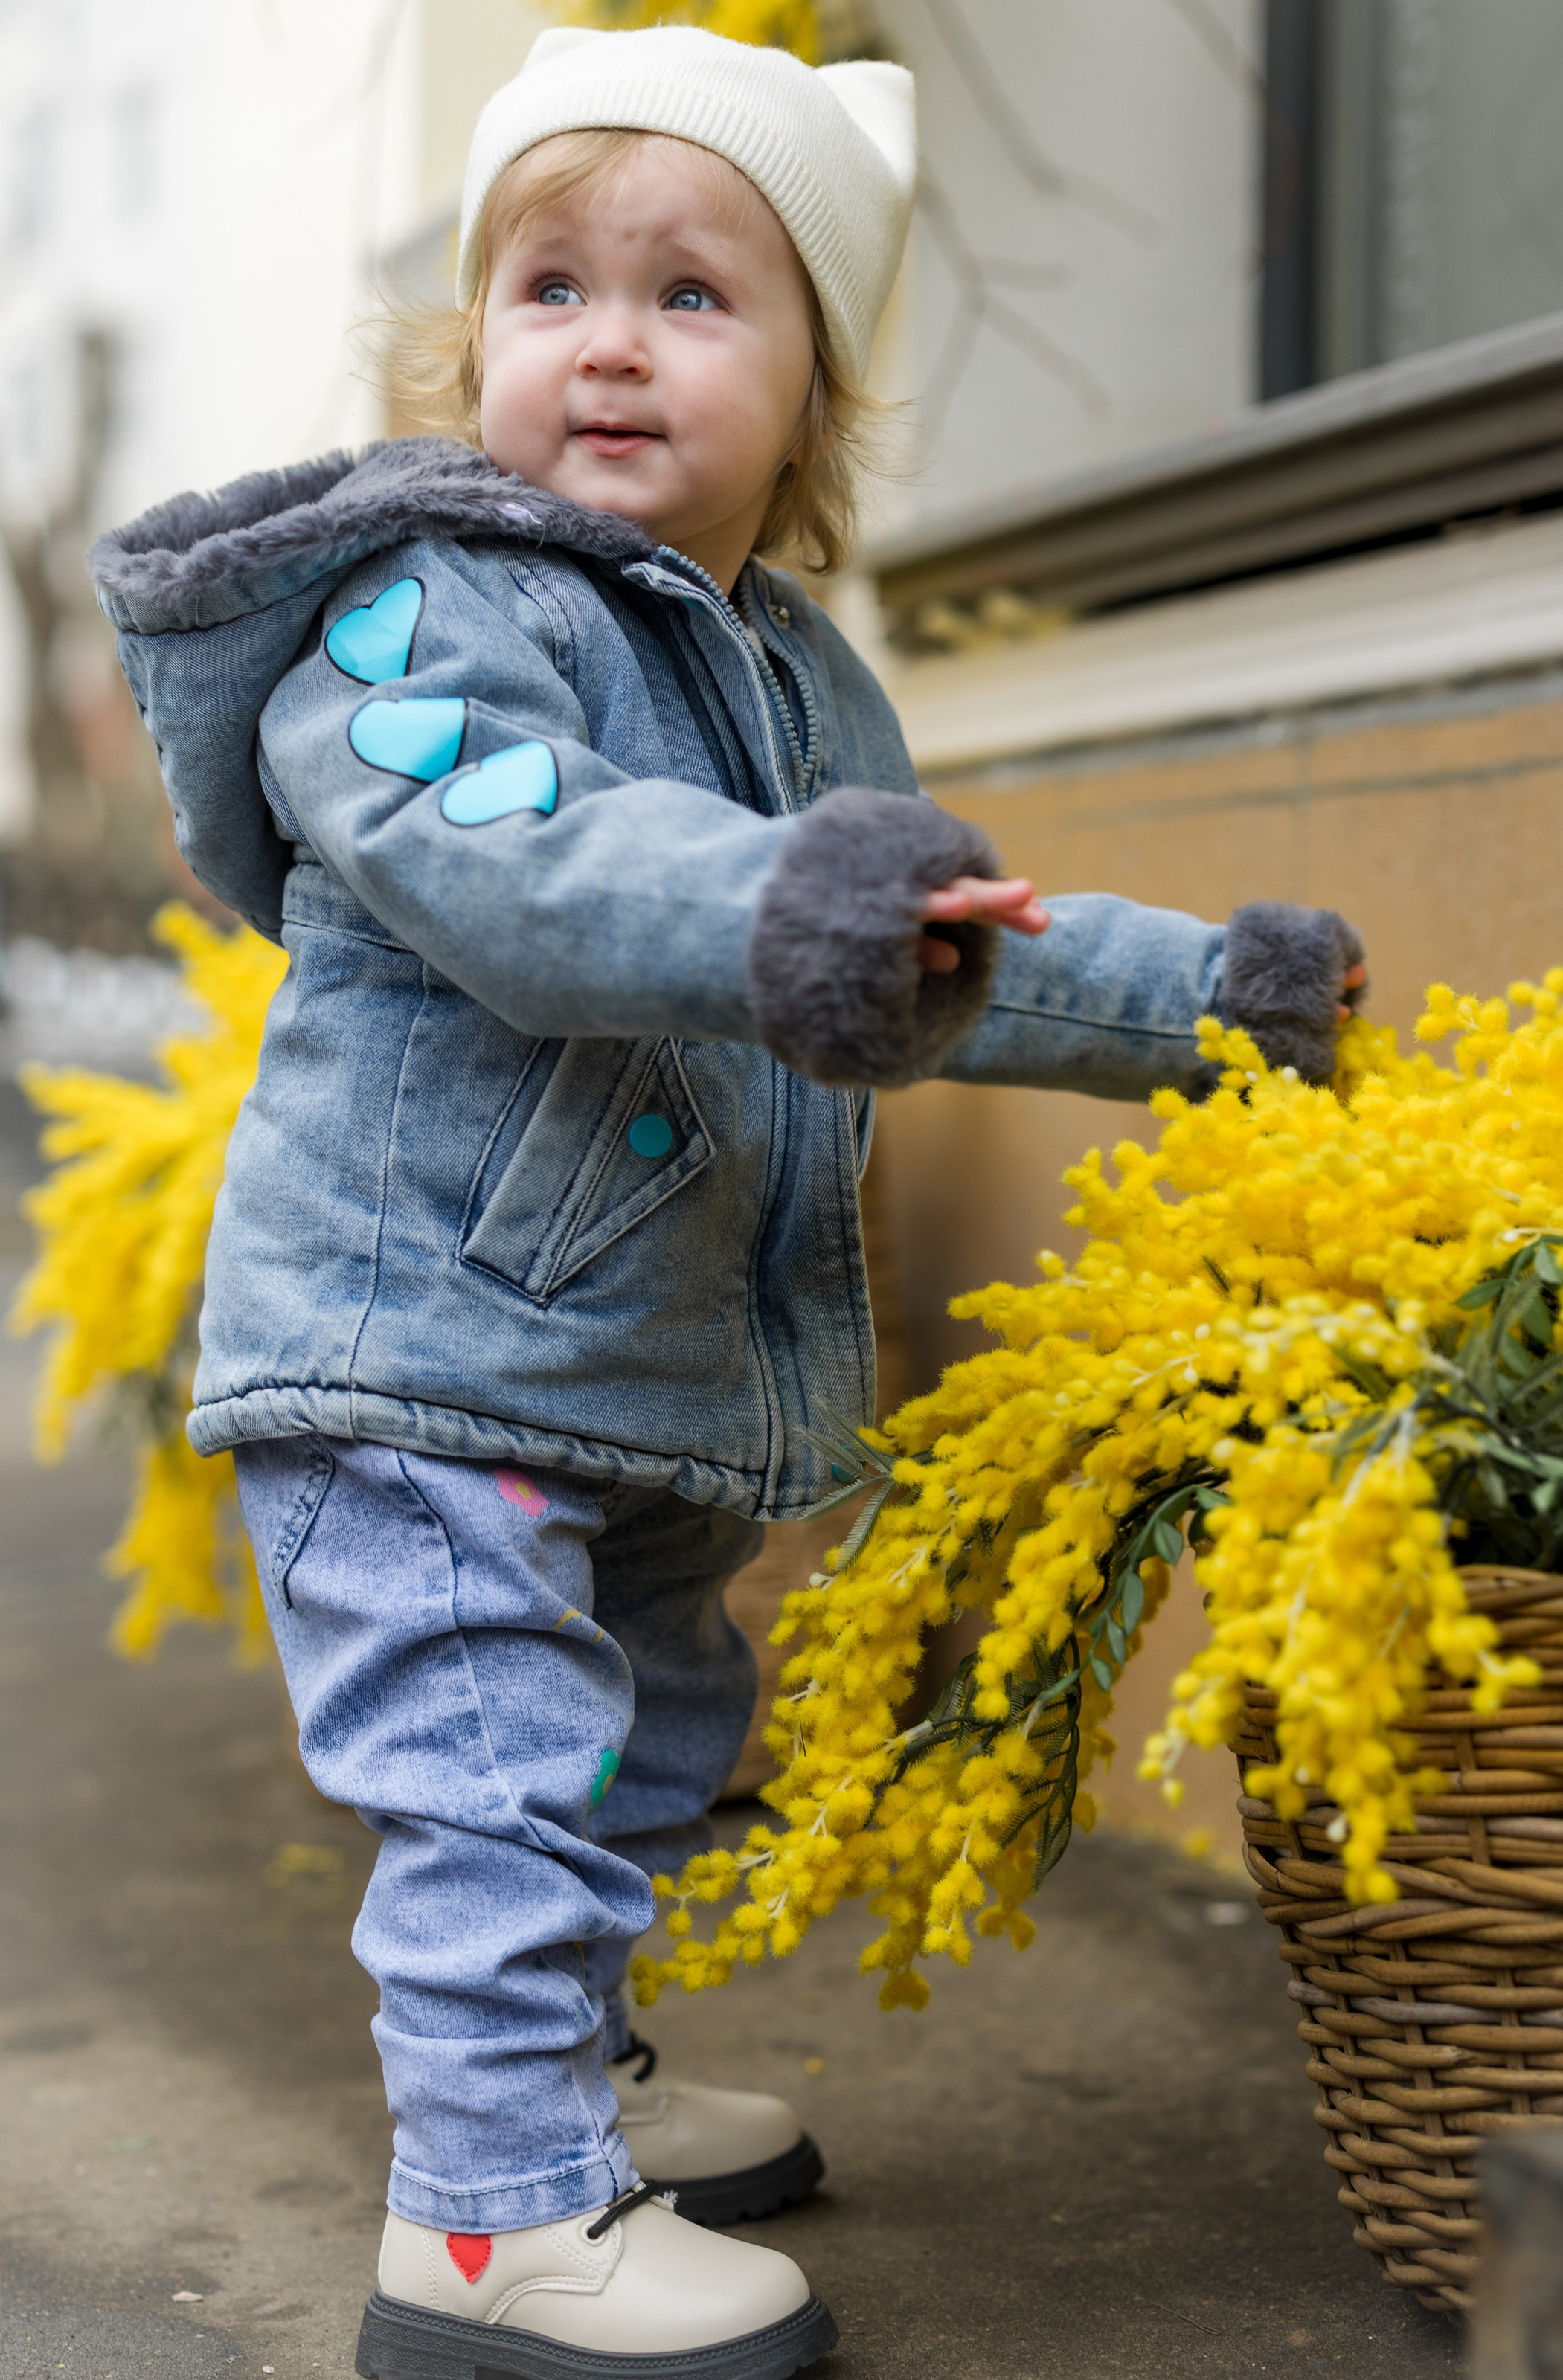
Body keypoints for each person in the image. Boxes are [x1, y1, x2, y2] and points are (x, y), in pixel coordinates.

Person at [90, 27, 1366, 2380]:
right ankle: (485, 2233)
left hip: (626, 1358)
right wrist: (810, 915)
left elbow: (927, 949)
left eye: (695, 296)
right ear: (465, 341)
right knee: (488, 1786)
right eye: (551, 283)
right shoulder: (416, 616)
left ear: (816, 399)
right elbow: (538, 865)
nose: (606, 338)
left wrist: (1212, 1002)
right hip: (424, 1342)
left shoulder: (800, 687)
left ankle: (575, 2106)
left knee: (620, 1760)